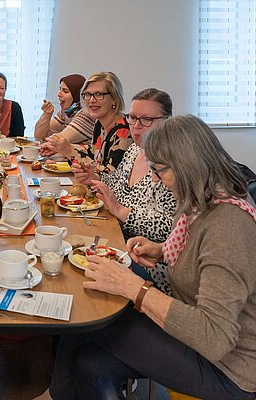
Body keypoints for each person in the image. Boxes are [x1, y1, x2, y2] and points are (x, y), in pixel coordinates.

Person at [46, 115, 256, 399]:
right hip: (199, 344)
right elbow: (205, 260)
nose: (153, 179)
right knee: (88, 362)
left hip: (227, 369)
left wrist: (134, 289)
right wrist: (161, 251)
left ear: (187, 167)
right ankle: (56, 393)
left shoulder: (228, 227)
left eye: (159, 171)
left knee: (91, 316)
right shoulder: (205, 204)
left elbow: (214, 338)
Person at [74, 88, 176, 294]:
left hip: (151, 265)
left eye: (146, 119)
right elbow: (119, 187)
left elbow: (171, 228)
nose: (136, 126)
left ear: (167, 121)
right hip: (119, 241)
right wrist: (95, 177)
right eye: (132, 118)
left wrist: (122, 212)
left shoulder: (172, 164)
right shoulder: (134, 150)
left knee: (79, 277)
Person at [40, 71, 131, 175]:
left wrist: (69, 151)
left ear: (114, 98)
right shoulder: (99, 123)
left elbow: (108, 175)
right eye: (87, 94)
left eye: (98, 94)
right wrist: (61, 149)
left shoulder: (123, 131)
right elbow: (93, 152)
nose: (91, 100)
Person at [34, 73, 96, 142]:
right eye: (60, 89)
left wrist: (46, 139)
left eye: (65, 91)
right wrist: (46, 114)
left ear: (78, 95)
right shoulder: (67, 112)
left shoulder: (85, 116)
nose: (59, 94)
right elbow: (38, 137)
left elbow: (57, 142)